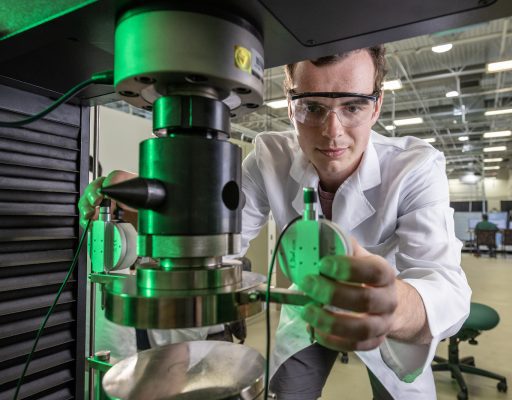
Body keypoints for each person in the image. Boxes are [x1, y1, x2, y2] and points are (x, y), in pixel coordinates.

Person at [79, 45, 471, 399]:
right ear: (289, 103)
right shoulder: (270, 157)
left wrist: (393, 308)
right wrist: (162, 216)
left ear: (377, 104)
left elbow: (446, 285)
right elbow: (225, 243)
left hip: (392, 318)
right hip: (306, 307)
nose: (332, 131)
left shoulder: (416, 166)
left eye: (352, 106)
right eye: (312, 108)